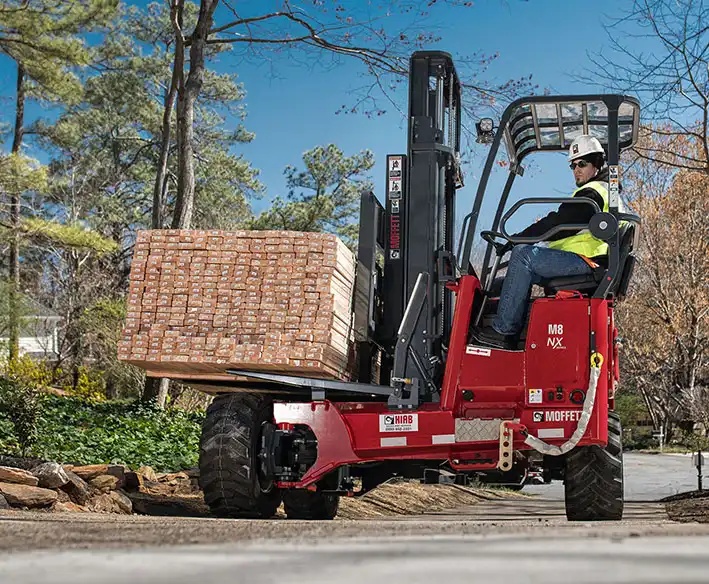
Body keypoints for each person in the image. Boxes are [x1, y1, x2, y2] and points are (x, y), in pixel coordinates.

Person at [474, 135, 615, 349]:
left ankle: (504, 332)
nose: (576, 169)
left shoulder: (593, 193)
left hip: (588, 262)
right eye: (573, 165)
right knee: (501, 283)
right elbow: (561, 223)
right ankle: (514, 329)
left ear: (596, 164)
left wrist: (517, 239)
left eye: (582, 164)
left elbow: (558, 222)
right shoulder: (595, 192)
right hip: (580, 261)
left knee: (523, 256)